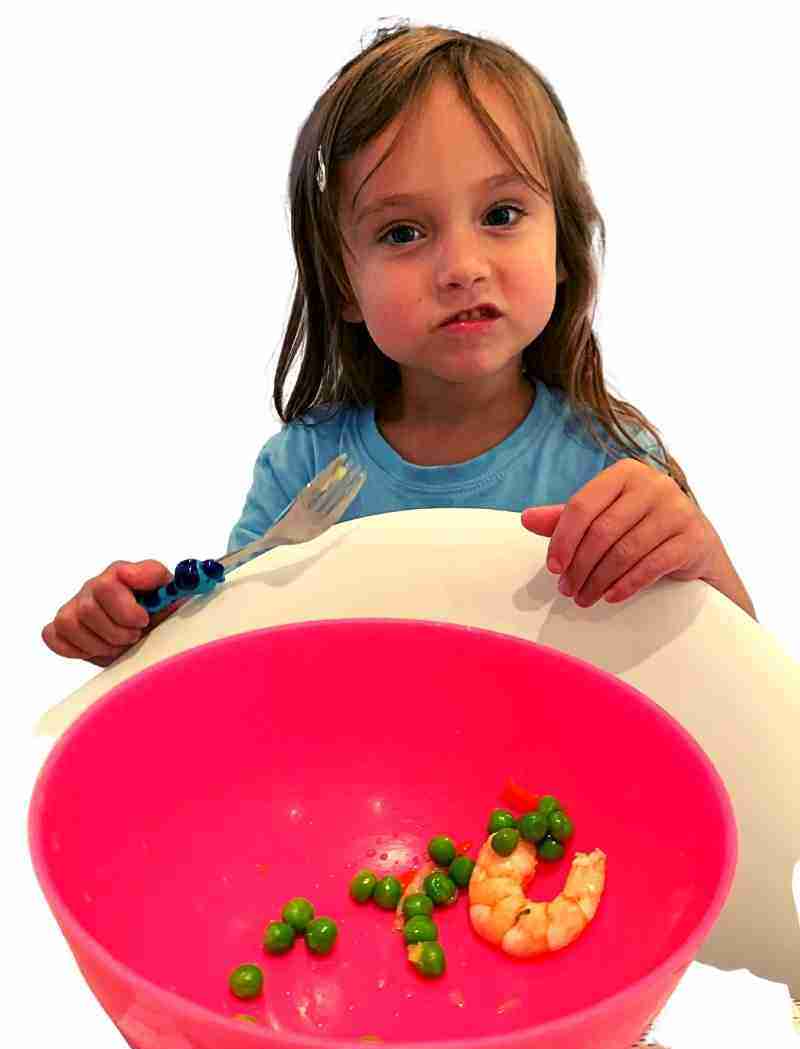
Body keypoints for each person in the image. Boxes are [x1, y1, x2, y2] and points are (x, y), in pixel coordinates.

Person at [41, 20, 756, 668]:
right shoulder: (306, 466)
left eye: (501, 214)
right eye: (402, 233)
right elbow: (237, 652)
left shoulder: (610, 459)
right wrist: (136, 632)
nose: (461, 268)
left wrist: (694, 548)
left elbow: (740, 675)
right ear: (343, 287)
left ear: (563, 247)